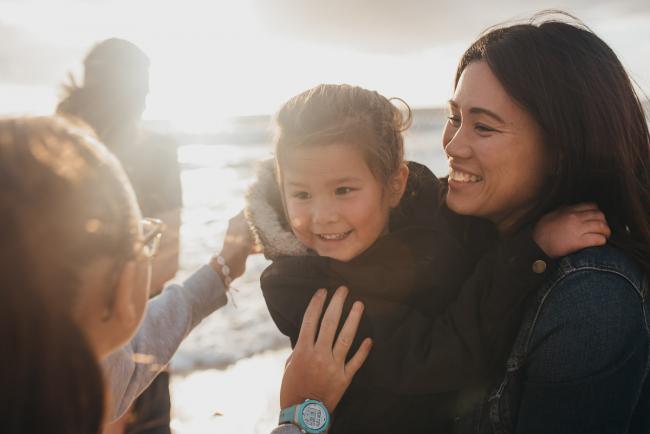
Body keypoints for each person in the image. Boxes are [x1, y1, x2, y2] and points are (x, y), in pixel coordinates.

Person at [246, 84, 610, 433]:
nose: (322, 215)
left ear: (394, 186)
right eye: (301, 194)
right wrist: (533, 250)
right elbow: (435, 355)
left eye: (344, 190)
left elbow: (490, 223)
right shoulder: (304, 288)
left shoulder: (429, 211)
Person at [0, 115, 370, 434]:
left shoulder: (42, 374)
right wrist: (305, 414)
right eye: (145, 236)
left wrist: (223, 267)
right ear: (118, 279)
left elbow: (139, 345)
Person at [441, 15, 650, 433]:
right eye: (454, 116)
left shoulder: (590, 296)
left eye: (482, 126)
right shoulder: (456, 241)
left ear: (561, 150)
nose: (452, 144)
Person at [56, 38, 182, 434]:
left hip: (81, 337)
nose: (145, 99)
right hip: (118, 335)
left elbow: (170, 257)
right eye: (139, 89)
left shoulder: (51, 147)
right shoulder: (152, 151)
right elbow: (167, 260)